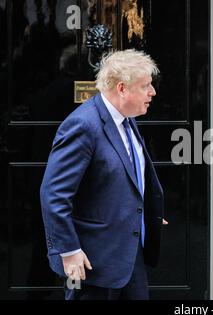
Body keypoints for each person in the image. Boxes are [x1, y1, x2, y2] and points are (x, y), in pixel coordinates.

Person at [40, 49, 166, 300]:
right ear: (121, 88)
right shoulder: (84, 125)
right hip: (92, 262)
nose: (152, 92)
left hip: (130, 254)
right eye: (145, 86)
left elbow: (123, 176)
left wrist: (144, 212)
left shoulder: (127, 119)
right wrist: (69, 250)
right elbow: (53, 194)